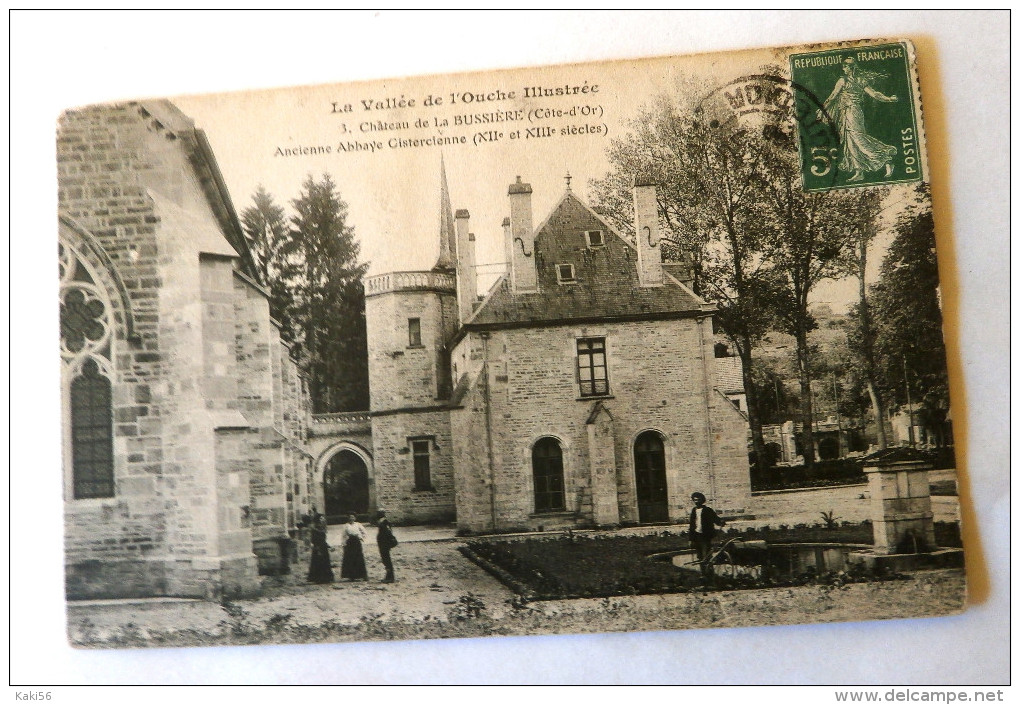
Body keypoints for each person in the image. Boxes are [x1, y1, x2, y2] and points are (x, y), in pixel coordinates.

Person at [817, 56, 899, 182]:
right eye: (844, 65)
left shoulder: (846, 81)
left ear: (851, 68)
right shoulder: (857, 80)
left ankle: (886, 159)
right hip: (847, 112)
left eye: (846, 66)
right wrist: (888, 99)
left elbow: (833, 96)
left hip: (852, 112)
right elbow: (874, 94)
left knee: (858, 138)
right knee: (850, 141)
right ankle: (859, 171)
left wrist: (822, 108)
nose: (844, 68)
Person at [689, 492, 725, 573]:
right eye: (695, 500)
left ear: (702, 500)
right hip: (696, 535)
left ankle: (709, 573)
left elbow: (715, 519)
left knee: (706, 555)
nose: (697, 501)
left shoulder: (707, 510)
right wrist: (690, 539)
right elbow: (691, 525)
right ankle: (703, 573)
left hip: (705, 536)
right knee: (700, 555)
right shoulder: (694, 511)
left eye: (698, 500)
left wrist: (720, 522)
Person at [339, 514, 368, 581]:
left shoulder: (358, 524)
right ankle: (351, 576)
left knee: (358, 557)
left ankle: (362, 575)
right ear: (348, 518)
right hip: (350, 543)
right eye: (350, 517)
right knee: (350, 558)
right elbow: (343, 535)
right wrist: (344, 543)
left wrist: (361, 537)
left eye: (353, 517)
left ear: (355, 518)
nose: (351, 518)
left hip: (357, 542)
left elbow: (364, 532)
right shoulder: (346, 525)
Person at [306, 513, 334, 584]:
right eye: (321, 518)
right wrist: (317, 548)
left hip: (324, 547)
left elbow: (323, 540)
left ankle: (326, 577)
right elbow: (313, 540)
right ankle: (318, 578)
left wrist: (328, 546)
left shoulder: (322, 528)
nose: (323, 519)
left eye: (323, 518)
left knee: (325, 562)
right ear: (318, 520)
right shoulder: (315, 529)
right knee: (318, 562)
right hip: (318, 547)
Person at [375, 510, 398, 583]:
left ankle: (390, 577)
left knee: (386, 560)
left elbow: (387, 533)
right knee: (386, 560)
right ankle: (389, 576)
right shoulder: (385, 523)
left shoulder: (384, 523)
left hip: (384, 544)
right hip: (384, 544)